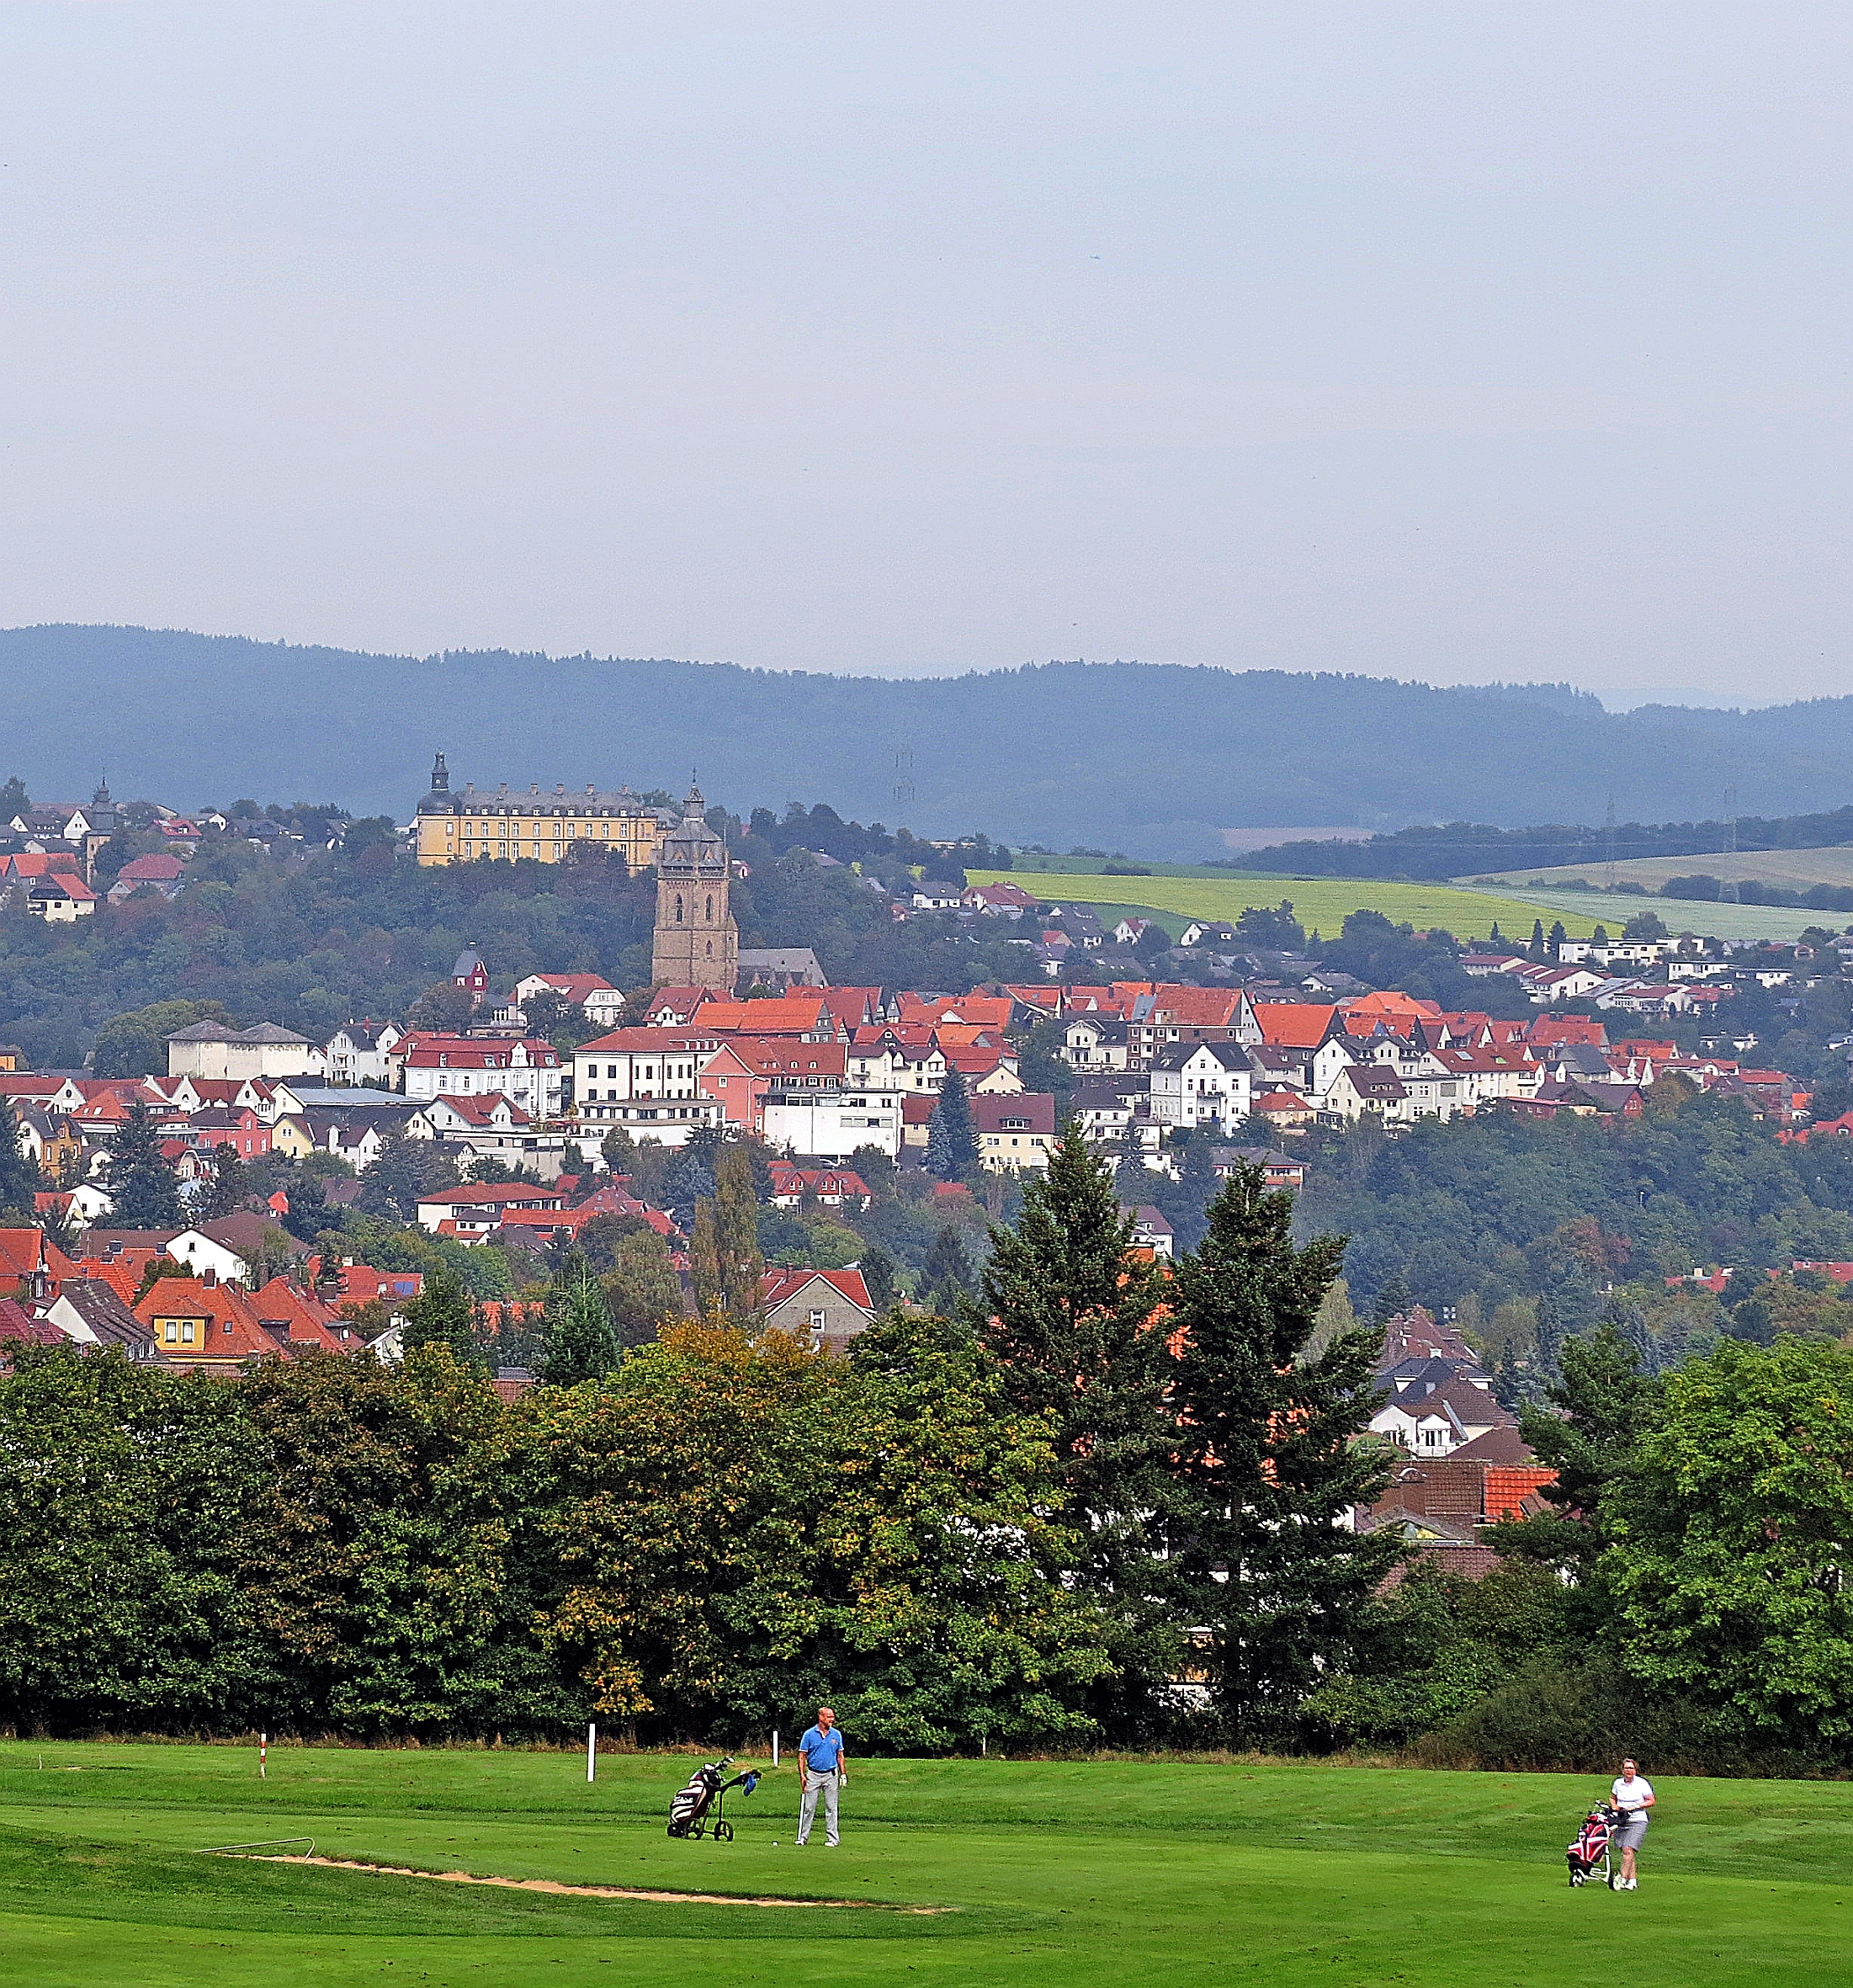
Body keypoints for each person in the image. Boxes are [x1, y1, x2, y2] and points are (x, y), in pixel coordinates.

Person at [795, 1705, 847, 1847]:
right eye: (829, 1717)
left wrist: (843, 1774)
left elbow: (840, 1755)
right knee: (809, 1807)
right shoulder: (809, 1734)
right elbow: (802, 1756)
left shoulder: (836, 1734)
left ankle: (833, 1839)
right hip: (813, 1774)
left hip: (831, 1774)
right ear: (821, 1717)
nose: (832, 1719)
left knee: (831, 1807)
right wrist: (802, 1775)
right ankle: (803, 1837)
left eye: (832, 1717)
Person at [1610, 1757, 1654, 1890]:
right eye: (1626, 1768)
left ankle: (1622, 1879)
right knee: (1627, 1852)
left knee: (1627, 1849)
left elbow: (1651, 1801)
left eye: (1631, 1768)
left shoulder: (1642, 1783)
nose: (1628, 1771)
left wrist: (1636, 1806)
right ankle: (1633, 1880)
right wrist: (1614, 1806)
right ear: (1622, 1770)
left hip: (1637, 1820)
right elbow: (1613, 1798)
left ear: (1635, 1770)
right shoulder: (1618, 1783)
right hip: (1621, 1819)